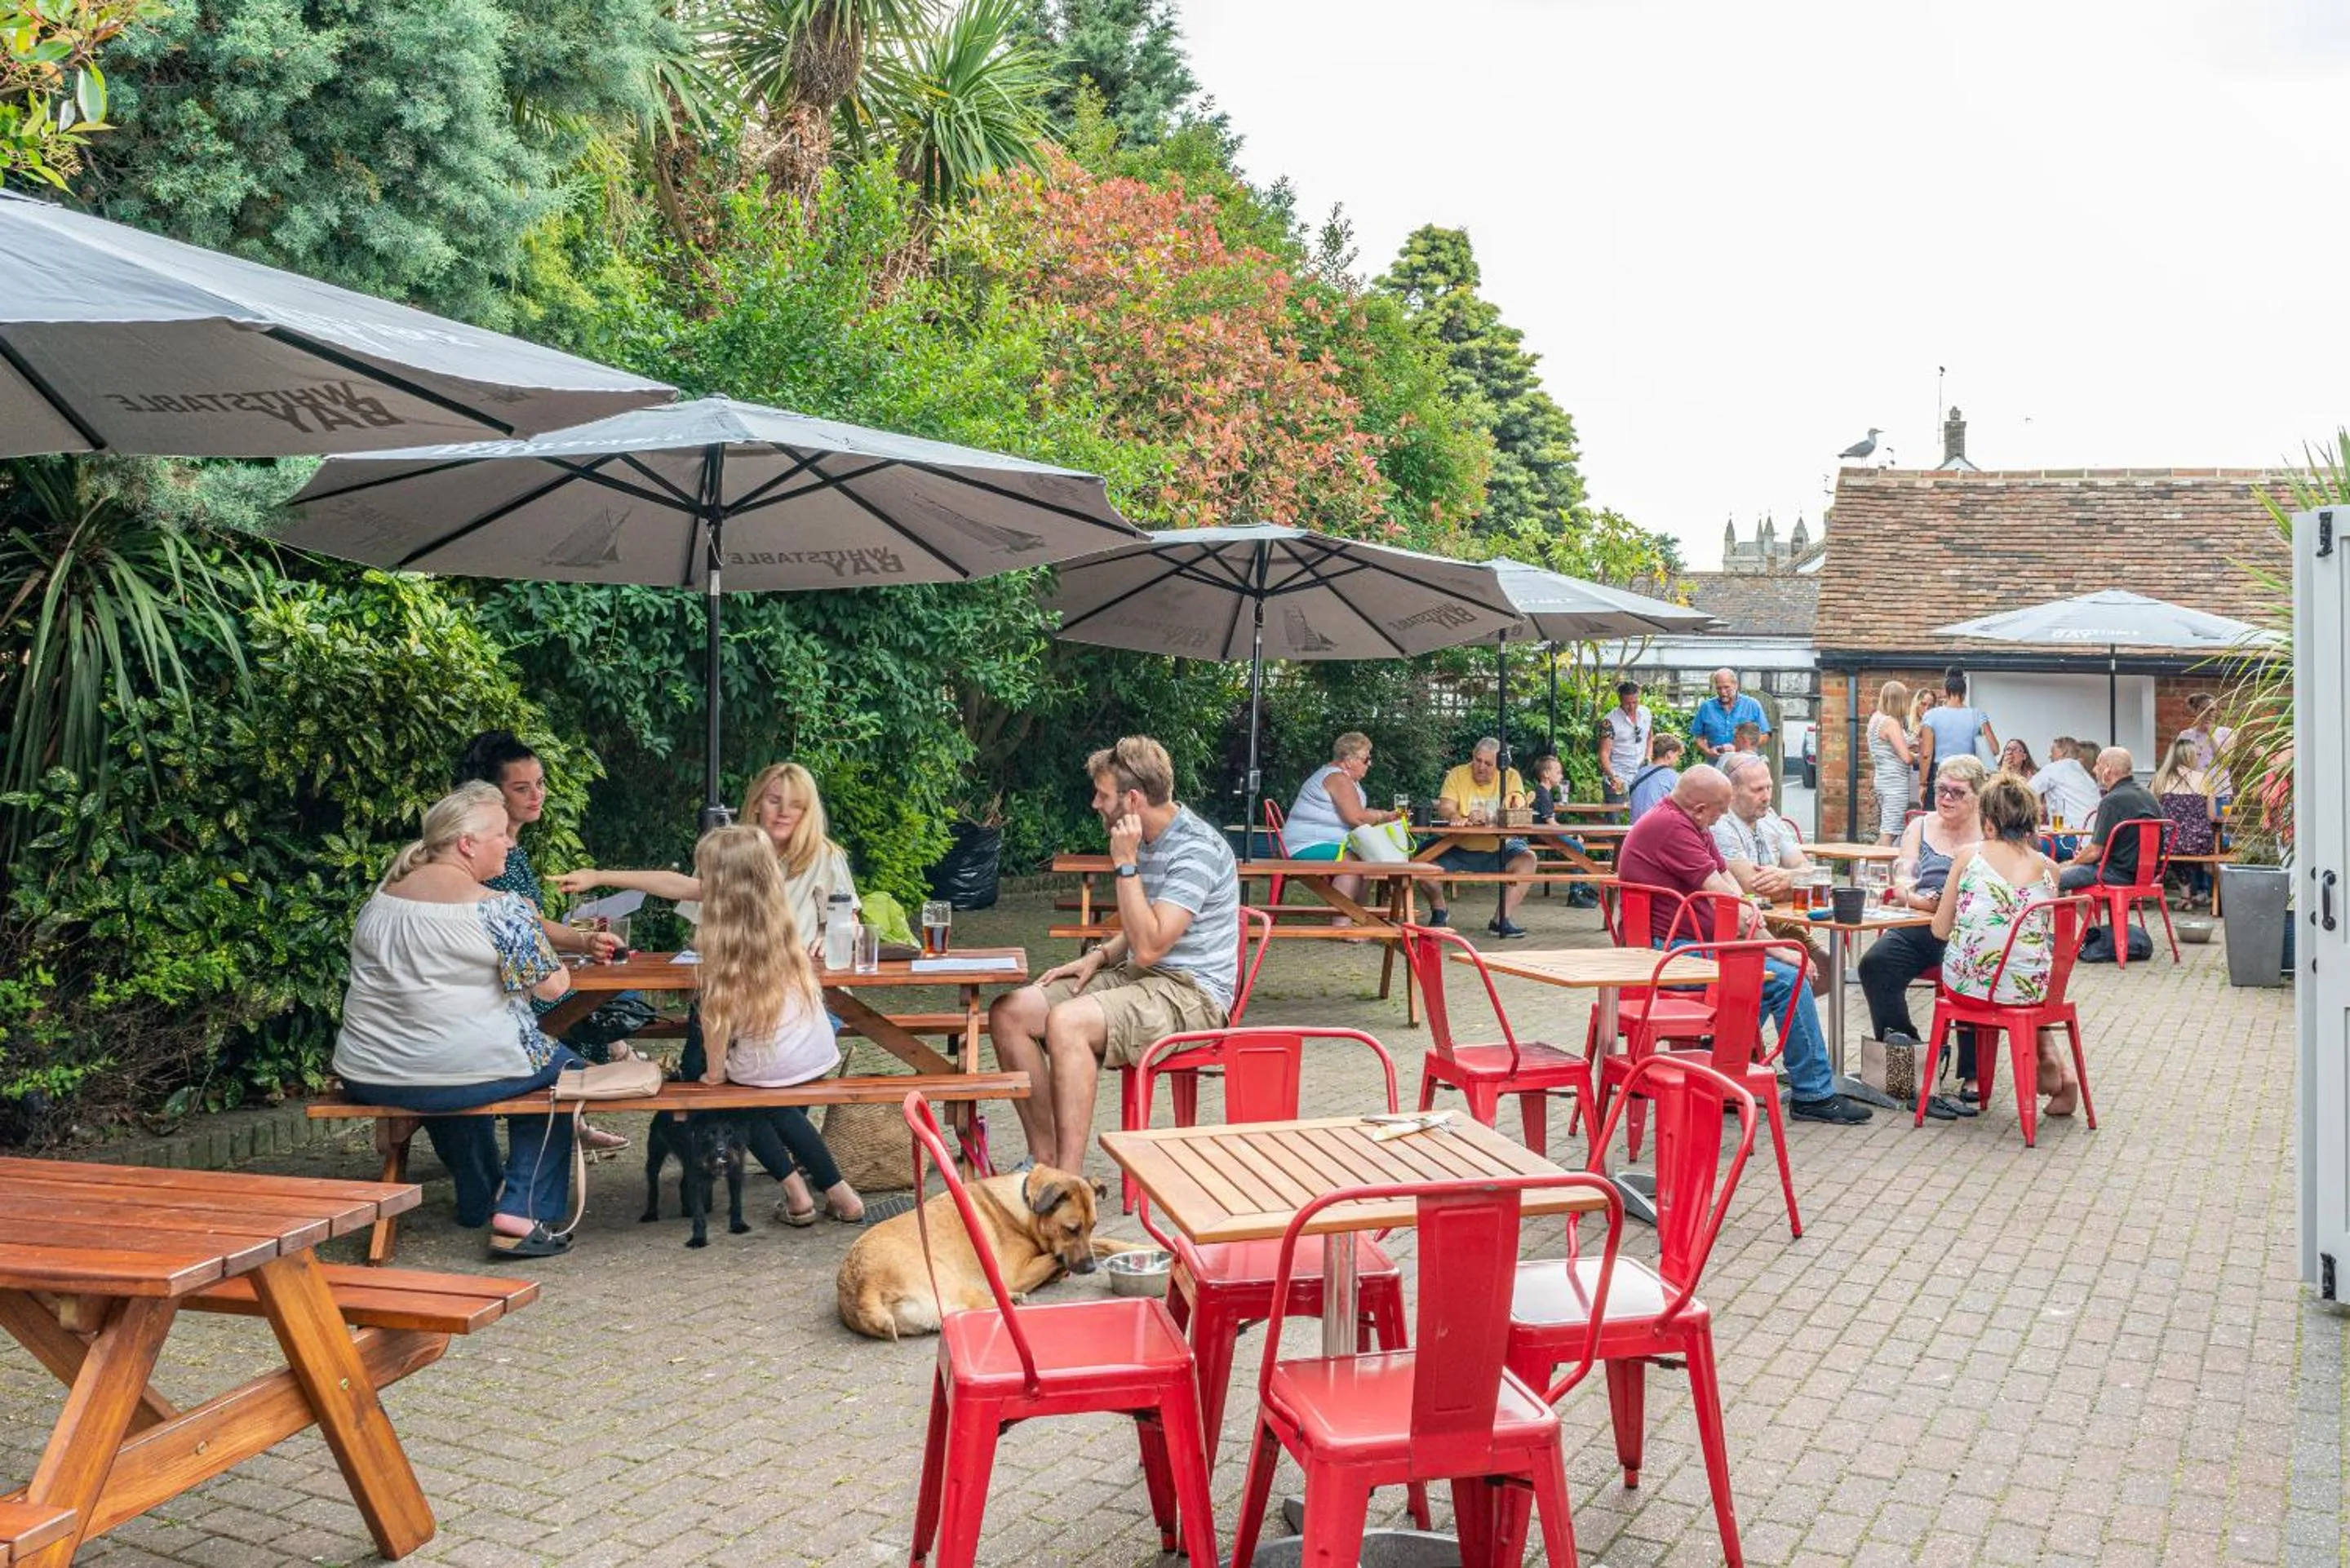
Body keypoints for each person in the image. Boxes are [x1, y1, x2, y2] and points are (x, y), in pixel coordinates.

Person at [332, 783, 585, 1259]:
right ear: (467, 843)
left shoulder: (382, 897)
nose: (510, 842)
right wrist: (532, 926)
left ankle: (480, 1195)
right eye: (500, 834)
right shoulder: (501, 909)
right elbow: (554, 988)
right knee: (566, 1073)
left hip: (369, 1073)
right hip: (461, 1071)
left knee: (456, 1067)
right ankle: (521, 1210)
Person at [989, 737, 1239, 1174]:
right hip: (1142, 974)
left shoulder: (1196, 848)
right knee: (1010, 1011)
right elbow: (1145, 921)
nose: (1095, 804)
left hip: (1193, 994)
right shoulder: (1146, 836)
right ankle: (1042, 1161)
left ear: (1134, 799)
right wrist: (1101, 955)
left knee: (1067, 1023)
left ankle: (1066, 1184)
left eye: (1104, 795)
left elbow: (1151, 942)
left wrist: (1124, 864)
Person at [1614, 766, 1869, 1125]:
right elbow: (1726, 901)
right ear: (1700, 808)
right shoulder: (1672, 828)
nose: (1721, 820)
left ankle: (1721, 1073)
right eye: (1720, 811)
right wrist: (1776, 949)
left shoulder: (1689, 823)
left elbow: (1732, 888)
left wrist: (1768, 943)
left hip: (1688, 945)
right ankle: (1812, 1094)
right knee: (1784, 979)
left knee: (1764, 977)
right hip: (1669, 955)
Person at [456, 730, 632, 1154]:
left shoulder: (508, 843)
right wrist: (585, 942)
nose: (537, 795)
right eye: (522, 787)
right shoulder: (489, 849)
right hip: (502, 991)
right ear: (491, 794)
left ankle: (580, 1110)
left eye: (540, 783)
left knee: (598, 1001)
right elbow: (524, 922)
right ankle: (581, 1103)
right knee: (581, 1007)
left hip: (508, 981)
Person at [688, 824, 863, 1225]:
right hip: (815, 1050)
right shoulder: (780, 919)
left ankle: (799, 1196)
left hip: (771, 1063)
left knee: (739, 1103)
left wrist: (715, 1075)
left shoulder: (722, 937)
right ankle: (841, 1194)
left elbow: (716, 1019)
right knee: (776, 1106)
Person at [559, 763, 858, 941]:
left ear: (808, 811)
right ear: (755, 803)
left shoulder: (823, 855)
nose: (783, 812)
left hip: (803, 985)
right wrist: (598, 876)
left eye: (796, 805)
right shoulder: (731, 849)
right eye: (774, 801)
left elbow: (850, 921)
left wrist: (825, 936)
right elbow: (682, 887)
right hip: (730, 984)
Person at [1932, 774, 2074, 1116]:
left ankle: (2057, 1070)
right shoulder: (2050, 870)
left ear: (1989, 823)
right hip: (2033, 990)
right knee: (2018, 974)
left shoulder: (1969, 857)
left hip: (1969, 989)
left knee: (1988, 967)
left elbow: (1939, 930)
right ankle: (2057, 1066)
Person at [1857, 756, 1989, 1110]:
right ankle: (1908, 1051)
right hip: (1920, 921)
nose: (1945, 799)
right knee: (1874, 964)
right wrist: (1917, 898)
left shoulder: (1988, 830)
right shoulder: (1920, 827)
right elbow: (1902, 881)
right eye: (1940, 790)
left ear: (1977, 796)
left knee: (1969, 976)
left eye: (1956, 793)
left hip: (1968, 929)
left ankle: (1973, 1073)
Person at [1711, 753, 1831, 993]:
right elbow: (1752, 888)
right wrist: (1796, 881)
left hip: (1780, 923)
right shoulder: (1721, 824)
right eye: (1757, 790)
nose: (1766, 797)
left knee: (1827, 968)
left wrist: (1788, 878)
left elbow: (1810, 871)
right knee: (1792, 977)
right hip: (1743, 927)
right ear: (1732, 792)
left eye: (1769, 787)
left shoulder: (1770, 818)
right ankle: (1749, 1022)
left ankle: (1762, 1023)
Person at [1280, 731, 1405, 911]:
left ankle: (1358, 916)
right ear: (1348, 760)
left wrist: (1385, 815)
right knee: (1355, 861)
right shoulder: (1338, 778)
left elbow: (1358, 812)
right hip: (1305, 845)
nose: (1370, 763)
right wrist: (1382, 816)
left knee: (1366, 857)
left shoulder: (1346, 779)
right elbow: (1355, 817)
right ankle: (1344, 921)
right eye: (1365, 759)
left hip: (1318, 842)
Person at [1427, 737, 1539, 938]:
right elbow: (1445, 805)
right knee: (1421, 865)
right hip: (1458, 848)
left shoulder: (1511, 777)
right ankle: (1439, 911)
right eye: (1477, 760)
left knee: (1528, 860)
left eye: (1488, 764)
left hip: (1499, 848)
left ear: (1500, 765)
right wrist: (1455, 816)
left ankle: (1501, 920)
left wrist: (1494, 816)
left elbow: (1518, 808)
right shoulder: (1458, 774)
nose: (1480, 767)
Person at [2060, 747, 2164, 893]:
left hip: (2116, 874)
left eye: (2098, 764)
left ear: (2107, 769)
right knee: (2076, 878)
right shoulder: (2148, 797)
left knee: (2051, 878)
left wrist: (2070, 863)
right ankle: (2091, 917)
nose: (2095, 769)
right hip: (2148, 875)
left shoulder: (2112, 801)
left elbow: (2094, 852)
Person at [2152, 733, 2220, 907]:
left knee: (2174, 850)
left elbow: (2151, 811)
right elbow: (2212, 816)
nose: (2198, 757)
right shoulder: (2204, 779)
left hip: (2169, 841)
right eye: (2197, 754)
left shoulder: (2159, 779)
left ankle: (2185, 898)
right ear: (2189, 756)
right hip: (2199, 842)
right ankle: (2212, 899)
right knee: (2190, 853)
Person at [1917, 667, 1998, 780]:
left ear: (1945, 690)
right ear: (1964, 691)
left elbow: (1926, 754)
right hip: (1968, 772)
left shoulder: (1931, 716)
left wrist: (1923, 783)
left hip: (1942, 772)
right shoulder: (1978, 715)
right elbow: (1994, 749)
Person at [1867, 680, 1918, 844]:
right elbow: (1907, 758)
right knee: (1890, 833)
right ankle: (1878, 867)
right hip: (1895, 783)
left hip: (1883, 779)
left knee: (1888, 829)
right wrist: (1921, 756)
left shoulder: (1876, 718)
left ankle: (1868, 863)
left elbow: (1890, 746)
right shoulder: (1891, 723)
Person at [1690, 667, 1768, 764]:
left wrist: (1740, 749)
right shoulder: (1706, 707)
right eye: (1719, 688)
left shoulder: (1752, 705)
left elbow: (1765, 735)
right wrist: (1708, 751)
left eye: (1727, 687)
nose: (1723, 692)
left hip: (1745, 766)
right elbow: (1698, 737)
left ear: (1735, 685)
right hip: (1716, 767)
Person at [2028, 737, 2103, 831]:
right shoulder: (2086, 777)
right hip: (2093, 836)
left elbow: (2024, 792)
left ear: (2063, 751)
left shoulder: (2055, 768)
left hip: (2071, 839)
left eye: (2052, 751)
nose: (2049, 756)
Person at [1597, 681, 1652, 802]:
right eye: (1627, 703)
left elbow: (1649, 737)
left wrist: (1648, 757)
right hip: (1617, 775)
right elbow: (1604, 754)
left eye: (1635, 702)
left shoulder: (1646, 713)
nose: (1632, 707)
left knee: (1640, 816)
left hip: (1640, 775)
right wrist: (1613, 776)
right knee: (1614, 818)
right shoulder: (1609, 721)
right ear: (1620, 700)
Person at [1625, 732, 1683, 822]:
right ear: (1669, 754)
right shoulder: (1673, 777)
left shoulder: (1640, 773)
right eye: (1677, 756)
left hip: (1635, 829)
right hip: (1657, 829)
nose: (1677, 760)